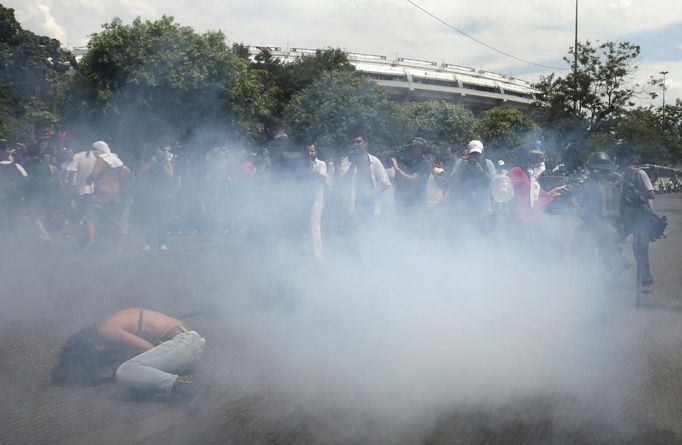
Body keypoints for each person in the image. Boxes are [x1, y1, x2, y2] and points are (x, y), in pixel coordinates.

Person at [51, 308, 205, 402]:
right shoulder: (111, 320)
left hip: (184, 345)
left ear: (92, 347)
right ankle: (175, 385)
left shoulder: (106, 330)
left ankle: (183, 385)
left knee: (124, 372)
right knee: (132, 372)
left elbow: (147, 348)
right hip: (188, 345)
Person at [571, 151, 629, 279]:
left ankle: (590, 281)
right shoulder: (619, 179)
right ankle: (612, 271)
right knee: (608, 255)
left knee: (583, 249)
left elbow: (582, 204)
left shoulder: (590, 182)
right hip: (616, 224)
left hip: (595, 224)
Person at [507, 142, 567, 257]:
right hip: (521, 224)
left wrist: (551, 193)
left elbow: (533, 197)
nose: (540, 161)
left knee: (552, 249)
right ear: (527, 157)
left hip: (530, 223)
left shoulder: (528, 175)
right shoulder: (517, 171)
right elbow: (514, 196)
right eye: (537, 157)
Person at [619, 152, 656, 293]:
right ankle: (621, 264)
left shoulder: (640, 174)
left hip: (642, 218)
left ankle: (646, 280)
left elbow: (651, 193)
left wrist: (637, 194)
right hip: (628, 218)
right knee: (610, 239)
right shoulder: (622, 177)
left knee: (640, 248)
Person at [338, 131, 391, 227]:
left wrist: (370, 193)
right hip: (352, 208)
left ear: (365, 143)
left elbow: (385, 183)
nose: (356, 145)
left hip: (371, 208)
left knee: (370, 237)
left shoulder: (374, 161)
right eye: (353, 142)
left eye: (359, 142)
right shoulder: (346, 162)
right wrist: (353, 164)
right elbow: (342, 183)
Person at [84, 141, 130, 250]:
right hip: (115, 195)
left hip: (102, 194)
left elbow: (95, 174)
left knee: (89, 217)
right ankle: (117, 244)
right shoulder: (117, 161)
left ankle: (91, 240)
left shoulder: (101, 160)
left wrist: (88, 180)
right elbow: (127, 173)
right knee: (114, 219)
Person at [448, 140, 497, 235]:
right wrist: (461, 167)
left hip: (483, 211)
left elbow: (494, 184)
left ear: (482, 153)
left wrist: (481, 171)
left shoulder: (488, 164)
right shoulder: (461, 163)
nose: (476, 157)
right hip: (464, 211)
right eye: (473, 154)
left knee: (484, 240)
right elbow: (451, 182)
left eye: (477, 154)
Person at [391, 137, 433, 232]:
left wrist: (396, 168)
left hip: (416, 206)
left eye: (417, 147)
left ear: (423, 149)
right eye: (413, 147)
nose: (414, 149)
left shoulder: (425, 164)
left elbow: (413, 179)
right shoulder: (410, 163)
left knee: (414, 234)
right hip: (404, 204)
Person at [139, 145, 175, 251]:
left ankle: (162, 243)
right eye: (159, 151)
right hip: (151, 192)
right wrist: (151, 163)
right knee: (150, 218)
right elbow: (141, 174)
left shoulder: (168, 162)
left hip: (163, 193)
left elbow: (171, 175)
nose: (160, 153)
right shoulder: (151, 162)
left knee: (162, 218)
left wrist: (165, 163)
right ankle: (148, 242)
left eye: (162, 151)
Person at [0, 146, 29, 244]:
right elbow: (26, 179)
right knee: (17, 216)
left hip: (3, 198)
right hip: (17, 196)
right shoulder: (16, 166)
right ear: (8, 156)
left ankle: (8, 240)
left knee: (4, 220)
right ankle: (21, 237)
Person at [307, 143, 329, 262]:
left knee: (315, 228)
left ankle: (318, 257)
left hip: (317, 199)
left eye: (311, 151)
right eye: (308, 151)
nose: (309, 153)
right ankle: (306, 252)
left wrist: (312, 169)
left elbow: (322, 179)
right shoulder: (302, 165)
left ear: (316, 152)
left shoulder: (322, 164)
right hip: (304, 199)